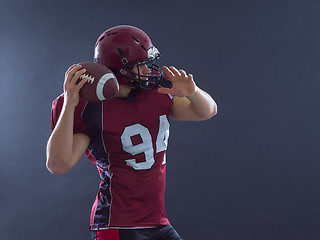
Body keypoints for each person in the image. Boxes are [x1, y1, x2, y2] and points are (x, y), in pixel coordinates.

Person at [46, 25, 217, 240]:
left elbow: (207, 111)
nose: (148, 70)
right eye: (141, 65)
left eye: (148, 64)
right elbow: (58, 165)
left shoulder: (158, 91)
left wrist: (193, 92)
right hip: (116, 224)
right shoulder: (89, 106)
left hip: (157, 220)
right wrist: (70, 104)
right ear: (117, 69)